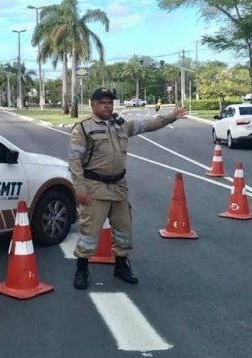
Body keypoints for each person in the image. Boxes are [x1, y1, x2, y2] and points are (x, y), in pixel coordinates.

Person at [68, 87, 188, 289]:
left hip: (119, 187)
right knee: (89, 231)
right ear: (93, 105)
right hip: (95, 188)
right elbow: (74, 160)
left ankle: (121, 266)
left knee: (124, 230)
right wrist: (80, 188)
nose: (107, 106)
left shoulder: (120, 125)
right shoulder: (83, 128)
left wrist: (171, 117)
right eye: (103, 102)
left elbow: (147, 124)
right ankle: (82, 269)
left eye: (110, 102)